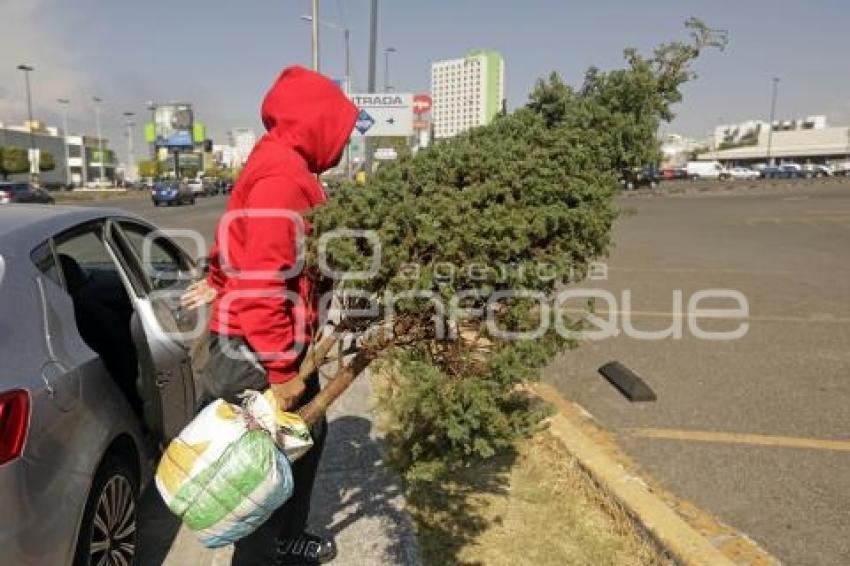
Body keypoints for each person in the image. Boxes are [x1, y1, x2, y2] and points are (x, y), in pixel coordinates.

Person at [184, 65, 357, 565]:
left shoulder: (278, 163)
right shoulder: (283, 177)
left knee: (309, 432)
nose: (343, 143)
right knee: (261, 473)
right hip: (257, 351)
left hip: (266, 341)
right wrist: (282, 372)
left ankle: (287, 538)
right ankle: (266, 552)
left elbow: (232, 235)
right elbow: (262, 288)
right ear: (317, 124)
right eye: (340, 131)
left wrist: (217, 280)